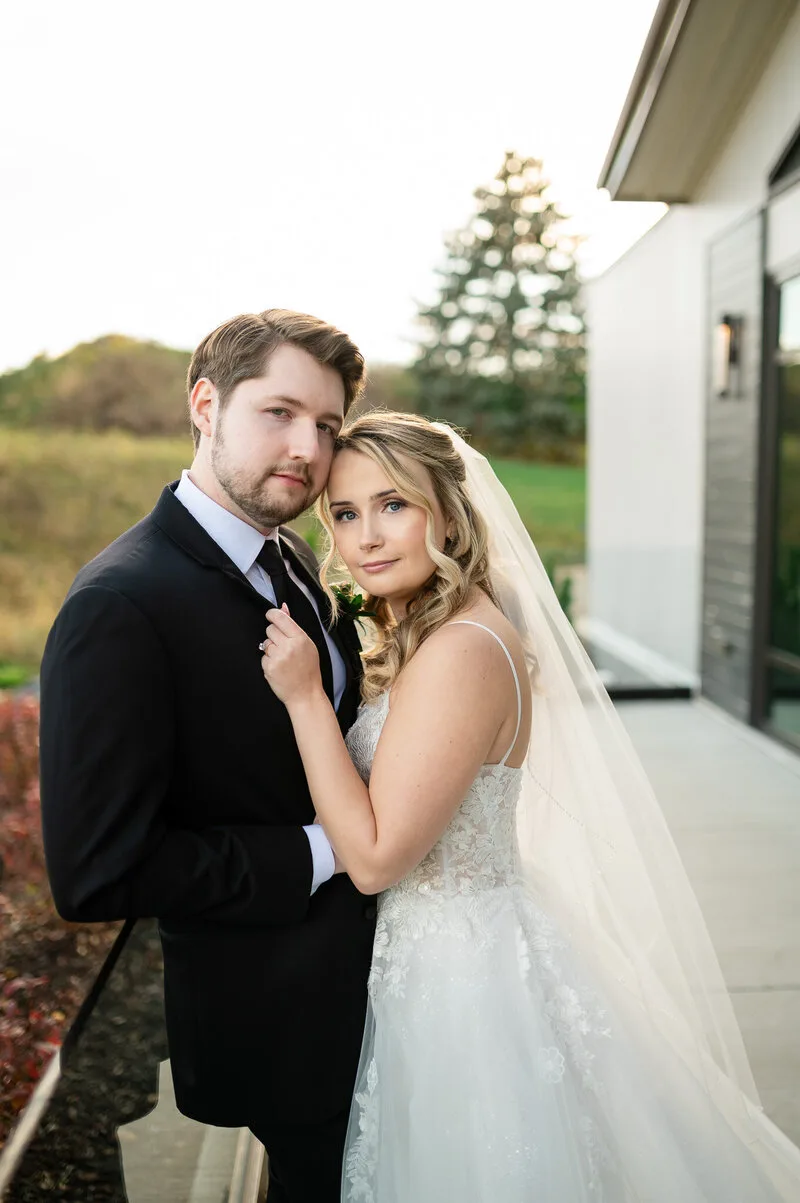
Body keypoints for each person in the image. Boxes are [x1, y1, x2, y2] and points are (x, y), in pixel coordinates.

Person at [260, 410, 800, 1202]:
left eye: (394, 504)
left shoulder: (460, 651)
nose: (366, 535)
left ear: (446, 511)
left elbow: (375, 861)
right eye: (345, 513)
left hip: (464, 984)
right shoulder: (448, 626)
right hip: (442, 956)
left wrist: (305, 697)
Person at [39, 309, 376, 1203]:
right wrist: (334, 845)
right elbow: (97, 872)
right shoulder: (121, 604)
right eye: (280, 412)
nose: (308, 447)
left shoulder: (293, 552)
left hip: (371, 996)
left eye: (328, 425)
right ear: (205, 403)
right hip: (279, 1024)